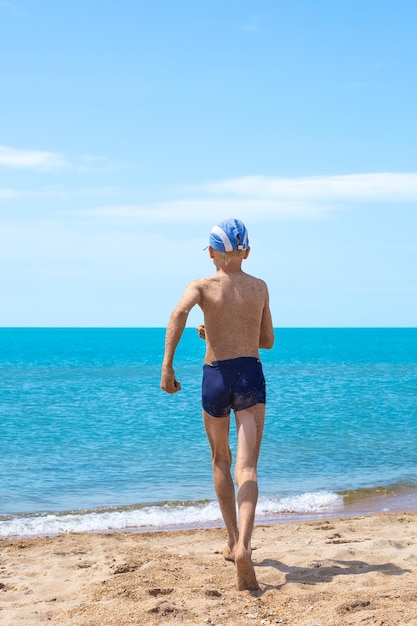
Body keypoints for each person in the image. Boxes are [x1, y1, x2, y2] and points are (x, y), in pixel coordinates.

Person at [160, 218, 274, 591]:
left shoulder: (201, 285)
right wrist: (233, 331)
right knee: (248, 469)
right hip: (250, 375)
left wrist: (167, 367)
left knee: (220, 459)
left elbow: (178, 313)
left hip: (215, 377)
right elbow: (266, 341)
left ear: (211, 252)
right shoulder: (259, 287)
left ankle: (230, 540)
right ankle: (245, 546)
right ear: (247, 252)